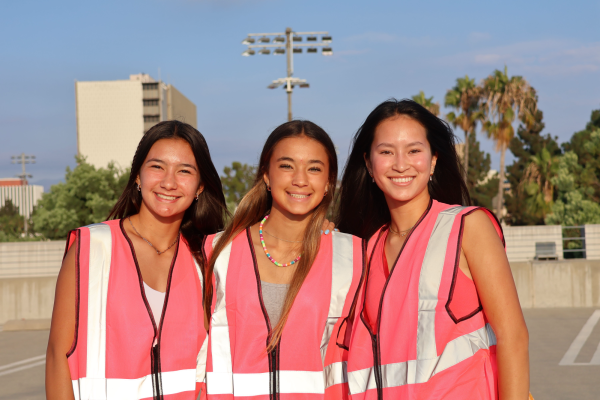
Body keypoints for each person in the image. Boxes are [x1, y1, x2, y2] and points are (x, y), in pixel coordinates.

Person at [336, 99, 529, 399]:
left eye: (414, 150)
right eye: (386, 152)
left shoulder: (468, 227)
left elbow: (512, 337)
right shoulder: (363, 248)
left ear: (434, 161)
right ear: (369, 164)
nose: (401, 163)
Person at [46, 121, 228, 400]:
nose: (169, 182)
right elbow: (58, 354)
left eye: (184, 171)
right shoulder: (91, 247)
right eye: (157, 167)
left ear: (200, 186)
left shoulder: (205, 260)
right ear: (138, 177)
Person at [203, 120, 363, 399]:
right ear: (266, 175)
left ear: (328, 182)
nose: (300, 179)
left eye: (314, 168)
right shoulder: (218, 250)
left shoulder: (353, 255)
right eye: (287, 165)